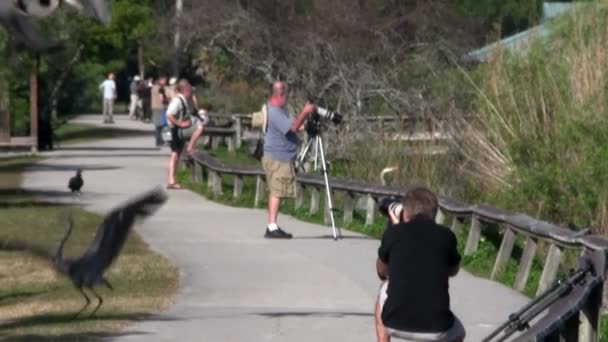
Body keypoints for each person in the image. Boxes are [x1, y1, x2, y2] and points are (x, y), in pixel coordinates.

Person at [375, 186, 466, 342]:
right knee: (459, 333)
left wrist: (394, 231)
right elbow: (453, 271)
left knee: (383, 289)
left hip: (393, 323)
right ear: (435, 212)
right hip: (438, 329)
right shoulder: (446, 235)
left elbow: (382, 273)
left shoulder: (394, 233)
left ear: (405, 211)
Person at [262, 81, 315, 239]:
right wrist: (304, 112)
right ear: (281, 94)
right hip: (278, 158)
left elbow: (292, 126)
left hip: (279, 157)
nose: (288, 98)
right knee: (277, 192)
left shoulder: (277, 110)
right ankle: (272, 227)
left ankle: (273, 225)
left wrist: (306, 126)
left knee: (277, 191)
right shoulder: (275, 111)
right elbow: (291, 128)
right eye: (287, 95)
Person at [165, 79, 204, 189]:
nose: (192, 93)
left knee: (175, 154)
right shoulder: (178, 101)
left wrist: (193, 100)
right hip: (173, 129)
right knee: (200, 126)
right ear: (186, 90)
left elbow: (194, 110)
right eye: (191, 91)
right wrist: (181, 124)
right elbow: (168, 114)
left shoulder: (184, 100)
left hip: (174, 130)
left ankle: (171, 180)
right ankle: (190, 148)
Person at [151, 76, 168, 146]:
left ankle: (158, 141)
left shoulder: (153, 88)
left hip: (154, 107)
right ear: (160, 80)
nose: (165, 82)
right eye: (164, 80)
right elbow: (162, 99)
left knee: (157, 125)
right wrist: (167, 101)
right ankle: (162, 141)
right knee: (163, 125)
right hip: (161, 107)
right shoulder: (161, 88)